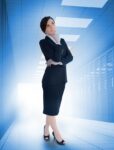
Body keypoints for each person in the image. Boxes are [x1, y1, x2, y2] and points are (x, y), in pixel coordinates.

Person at [39, 16, 73, 145]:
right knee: (52, 109)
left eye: (53, 23)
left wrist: (59, 62)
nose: (52, 26)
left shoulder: (63, 40)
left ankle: (46, 128)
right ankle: (57, 134)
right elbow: (56, 56)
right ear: (44, 29)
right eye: (48, 25)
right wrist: (58, 44)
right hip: (50, 80)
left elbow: (70, 57)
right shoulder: (43, 42)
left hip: (62, 79)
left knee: (52, 108)